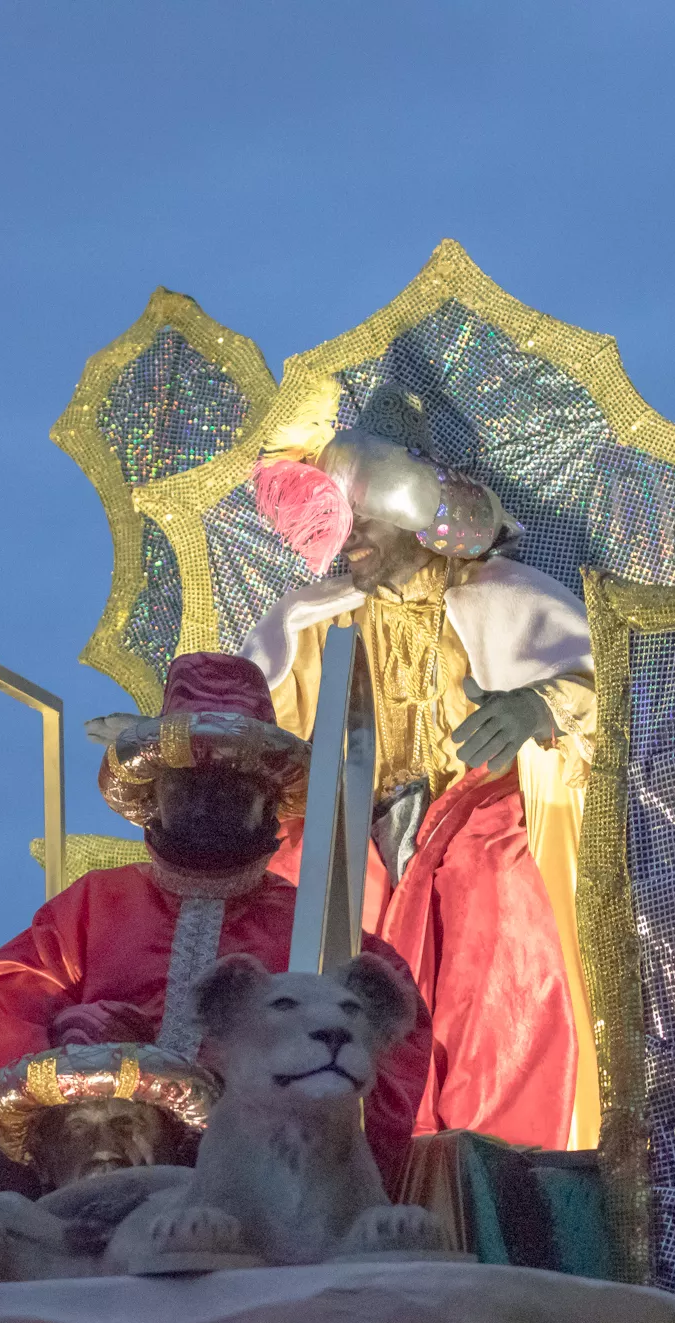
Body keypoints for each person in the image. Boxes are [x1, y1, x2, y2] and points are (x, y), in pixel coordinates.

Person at [244, 384, 598, 1151]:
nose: (349, 540)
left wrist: (540, 708)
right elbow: (246, 718)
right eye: (337, 523)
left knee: (492, 874)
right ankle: (316, 1139)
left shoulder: (503, 597)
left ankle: (493, 1146)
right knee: (299, 872)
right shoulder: (309, 621)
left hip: (477, 820)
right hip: (353, 828)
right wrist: (180, 739)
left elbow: (619, 697)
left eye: (362, 518)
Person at [0, 651, 432, 1186]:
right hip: (98, 1158)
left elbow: (390, 1043)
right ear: (153, 799)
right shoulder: (93, 905)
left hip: (262, 1175)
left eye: (236, 792)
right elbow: (14, 994)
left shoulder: (324, 932)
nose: (209, 804)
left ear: (270, 805)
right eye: (187, 788)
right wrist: (75, 1068)